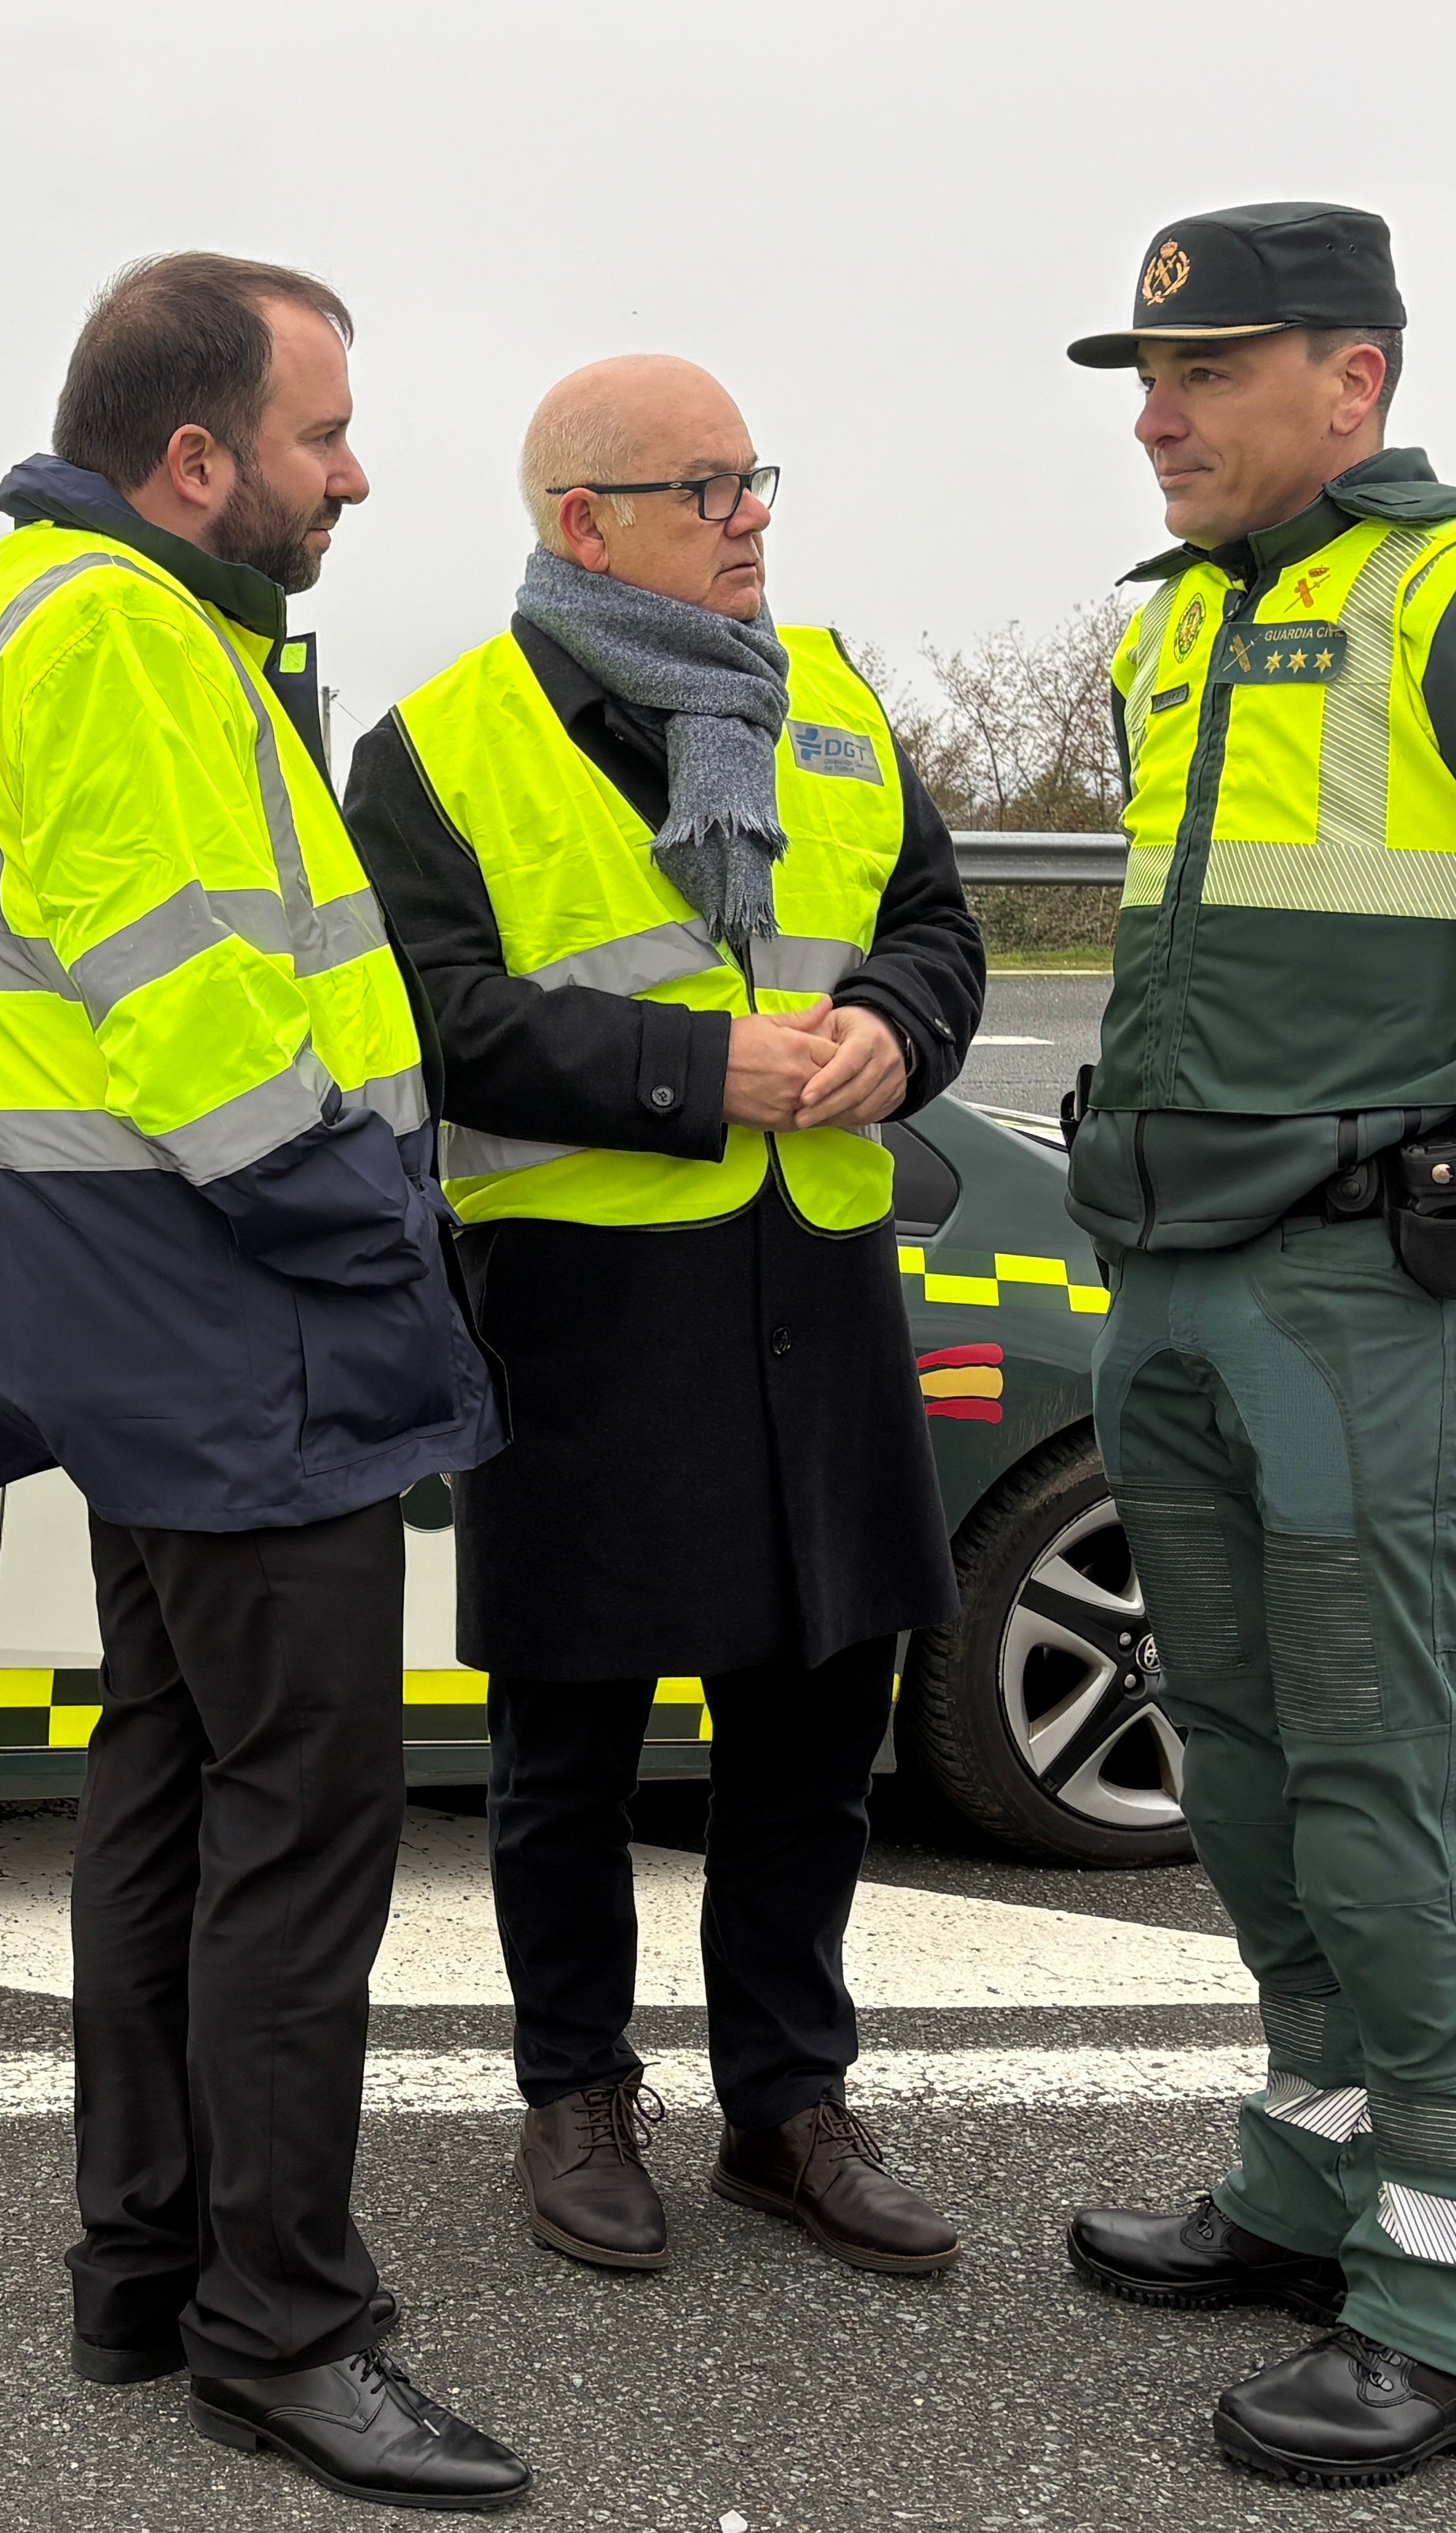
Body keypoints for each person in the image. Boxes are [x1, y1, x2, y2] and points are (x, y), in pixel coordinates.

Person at [1050, 201, 1456, 2488]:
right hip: (1175, 1268)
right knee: (1234, 1762)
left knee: (1390, 1782)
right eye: (1146, 375)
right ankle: (1317, 2179)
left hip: (1358, 1290)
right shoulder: (1187, 623)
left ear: (1354, 377)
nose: (1158, 416)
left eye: (1208, 372)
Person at [0, 250, 523, 2516]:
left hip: (140, 1325)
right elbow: (199, 1020)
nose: (353, 473)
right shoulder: (127, 634)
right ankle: (284, 2320)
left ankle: (144, 2262)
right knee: (297, 1841)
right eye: (320, 433)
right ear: (195, 459)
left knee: (166, 1798)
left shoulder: (49, 609)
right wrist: (383, 1260)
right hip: (231, 1320)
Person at [344, 356, 985, 2283]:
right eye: (708, 488)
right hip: (588, 1304)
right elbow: (435, 1019)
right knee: (572, 1757)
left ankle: (789, 2110)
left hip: (820, 1283)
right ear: (582, 524)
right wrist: (697, 1073)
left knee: (816, 1739)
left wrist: (896, 1031)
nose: (752, 518)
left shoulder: (837, 699)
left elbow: (937, 927)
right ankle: (576, 2096)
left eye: (755, 478)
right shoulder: (437, 746)